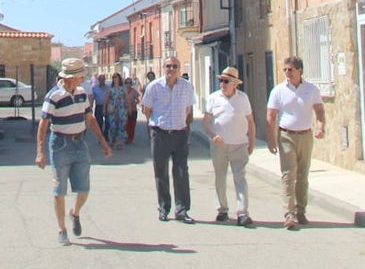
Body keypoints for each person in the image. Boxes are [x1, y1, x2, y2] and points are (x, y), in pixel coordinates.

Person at [36, 57, 113, 245]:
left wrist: (102, 141)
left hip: (80, 143)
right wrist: (40, 151)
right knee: (59, 190)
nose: (81, 80)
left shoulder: (81, 94)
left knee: (84, 188)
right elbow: (44, 123)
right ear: (71, 78)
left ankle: (75, 213)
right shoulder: (53, 96)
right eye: (80, 77)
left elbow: (90, 118)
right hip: (60, 145)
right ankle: (62, 229)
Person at [266, 55, 326, 230]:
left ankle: (301, 210)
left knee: (302, 176)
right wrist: (271, 139)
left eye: (290, 69)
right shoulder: (278, 90)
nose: (287, 73)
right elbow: (270, 116)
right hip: (286, 136)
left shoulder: (311, 89)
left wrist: (321, 126)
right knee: (288, 175)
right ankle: (289, 214)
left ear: (300, 70)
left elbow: (319, 110)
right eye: (285, 70)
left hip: (305, 135)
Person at [140, 56, 197, 223]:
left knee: (181, 172)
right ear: (163, 68)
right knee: (161, 172)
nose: (171, 69)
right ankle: (164, 208)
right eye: (168, 66)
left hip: (179, 133)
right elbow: (147, 109)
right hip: (160, 133)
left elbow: (187, 109)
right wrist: (156, 125)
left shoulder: (186, 87)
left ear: (179, 69)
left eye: (174, 66)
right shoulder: (154, 87)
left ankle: (182, 210)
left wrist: (178, 122)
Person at [202, 66, 256, 227]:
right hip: (219, 145)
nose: (222, 84)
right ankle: (222, 209)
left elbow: (251, 122)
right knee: (220, 176)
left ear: (234, 84)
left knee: (240, 177)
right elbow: (205, 122)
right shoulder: (213, 98)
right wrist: (212, 135)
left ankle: (242, 213)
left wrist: (251, 142)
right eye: (221, 80)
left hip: (239, 144)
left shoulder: (243, 98)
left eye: (226, 81)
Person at [106, 72, 127, 149]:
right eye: (113, 77)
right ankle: (112, 140)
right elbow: (106, 99)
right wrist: (104, 108)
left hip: (121, 109)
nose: (115, 78)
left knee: (121, 125)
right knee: (113, 126)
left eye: (116, 77)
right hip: (113, 109)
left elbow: (126, 98)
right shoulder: (110, 89)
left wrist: (129, 108)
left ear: (119, 78)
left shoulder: (123, 88)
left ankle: (119, 142)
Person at [124, 78, 141, 144]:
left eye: (129, 83)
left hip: (133, 110)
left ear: (131, 84)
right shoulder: (123, 91)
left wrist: (135, 102)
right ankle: (127, 135)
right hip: (125, 110)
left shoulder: (134, 91)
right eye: (127, 83)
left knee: (132, 125)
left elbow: (138, 100)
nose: (128, 84)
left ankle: (130, 138)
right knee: (126, 124)